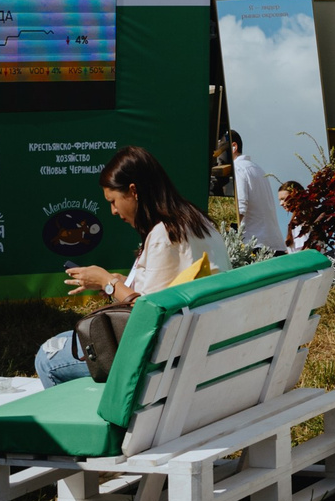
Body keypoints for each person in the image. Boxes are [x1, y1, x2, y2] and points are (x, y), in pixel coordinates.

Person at [32, 146, 229, 386]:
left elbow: (146, 316)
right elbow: (165, 290)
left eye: (113, 201)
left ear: (133, 191)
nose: (113, 211)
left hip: (159, 357)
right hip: (196, 344)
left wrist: (108, 282)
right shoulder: (200, 223)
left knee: (48, 356)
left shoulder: (164, 235)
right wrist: (123, 282)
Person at [231, 135, 289, 256]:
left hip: (255, 246)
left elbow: (240, 207)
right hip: (274, 244)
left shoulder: (237, 168)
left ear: (234, 147)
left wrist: (229, 239)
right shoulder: (257, 168)